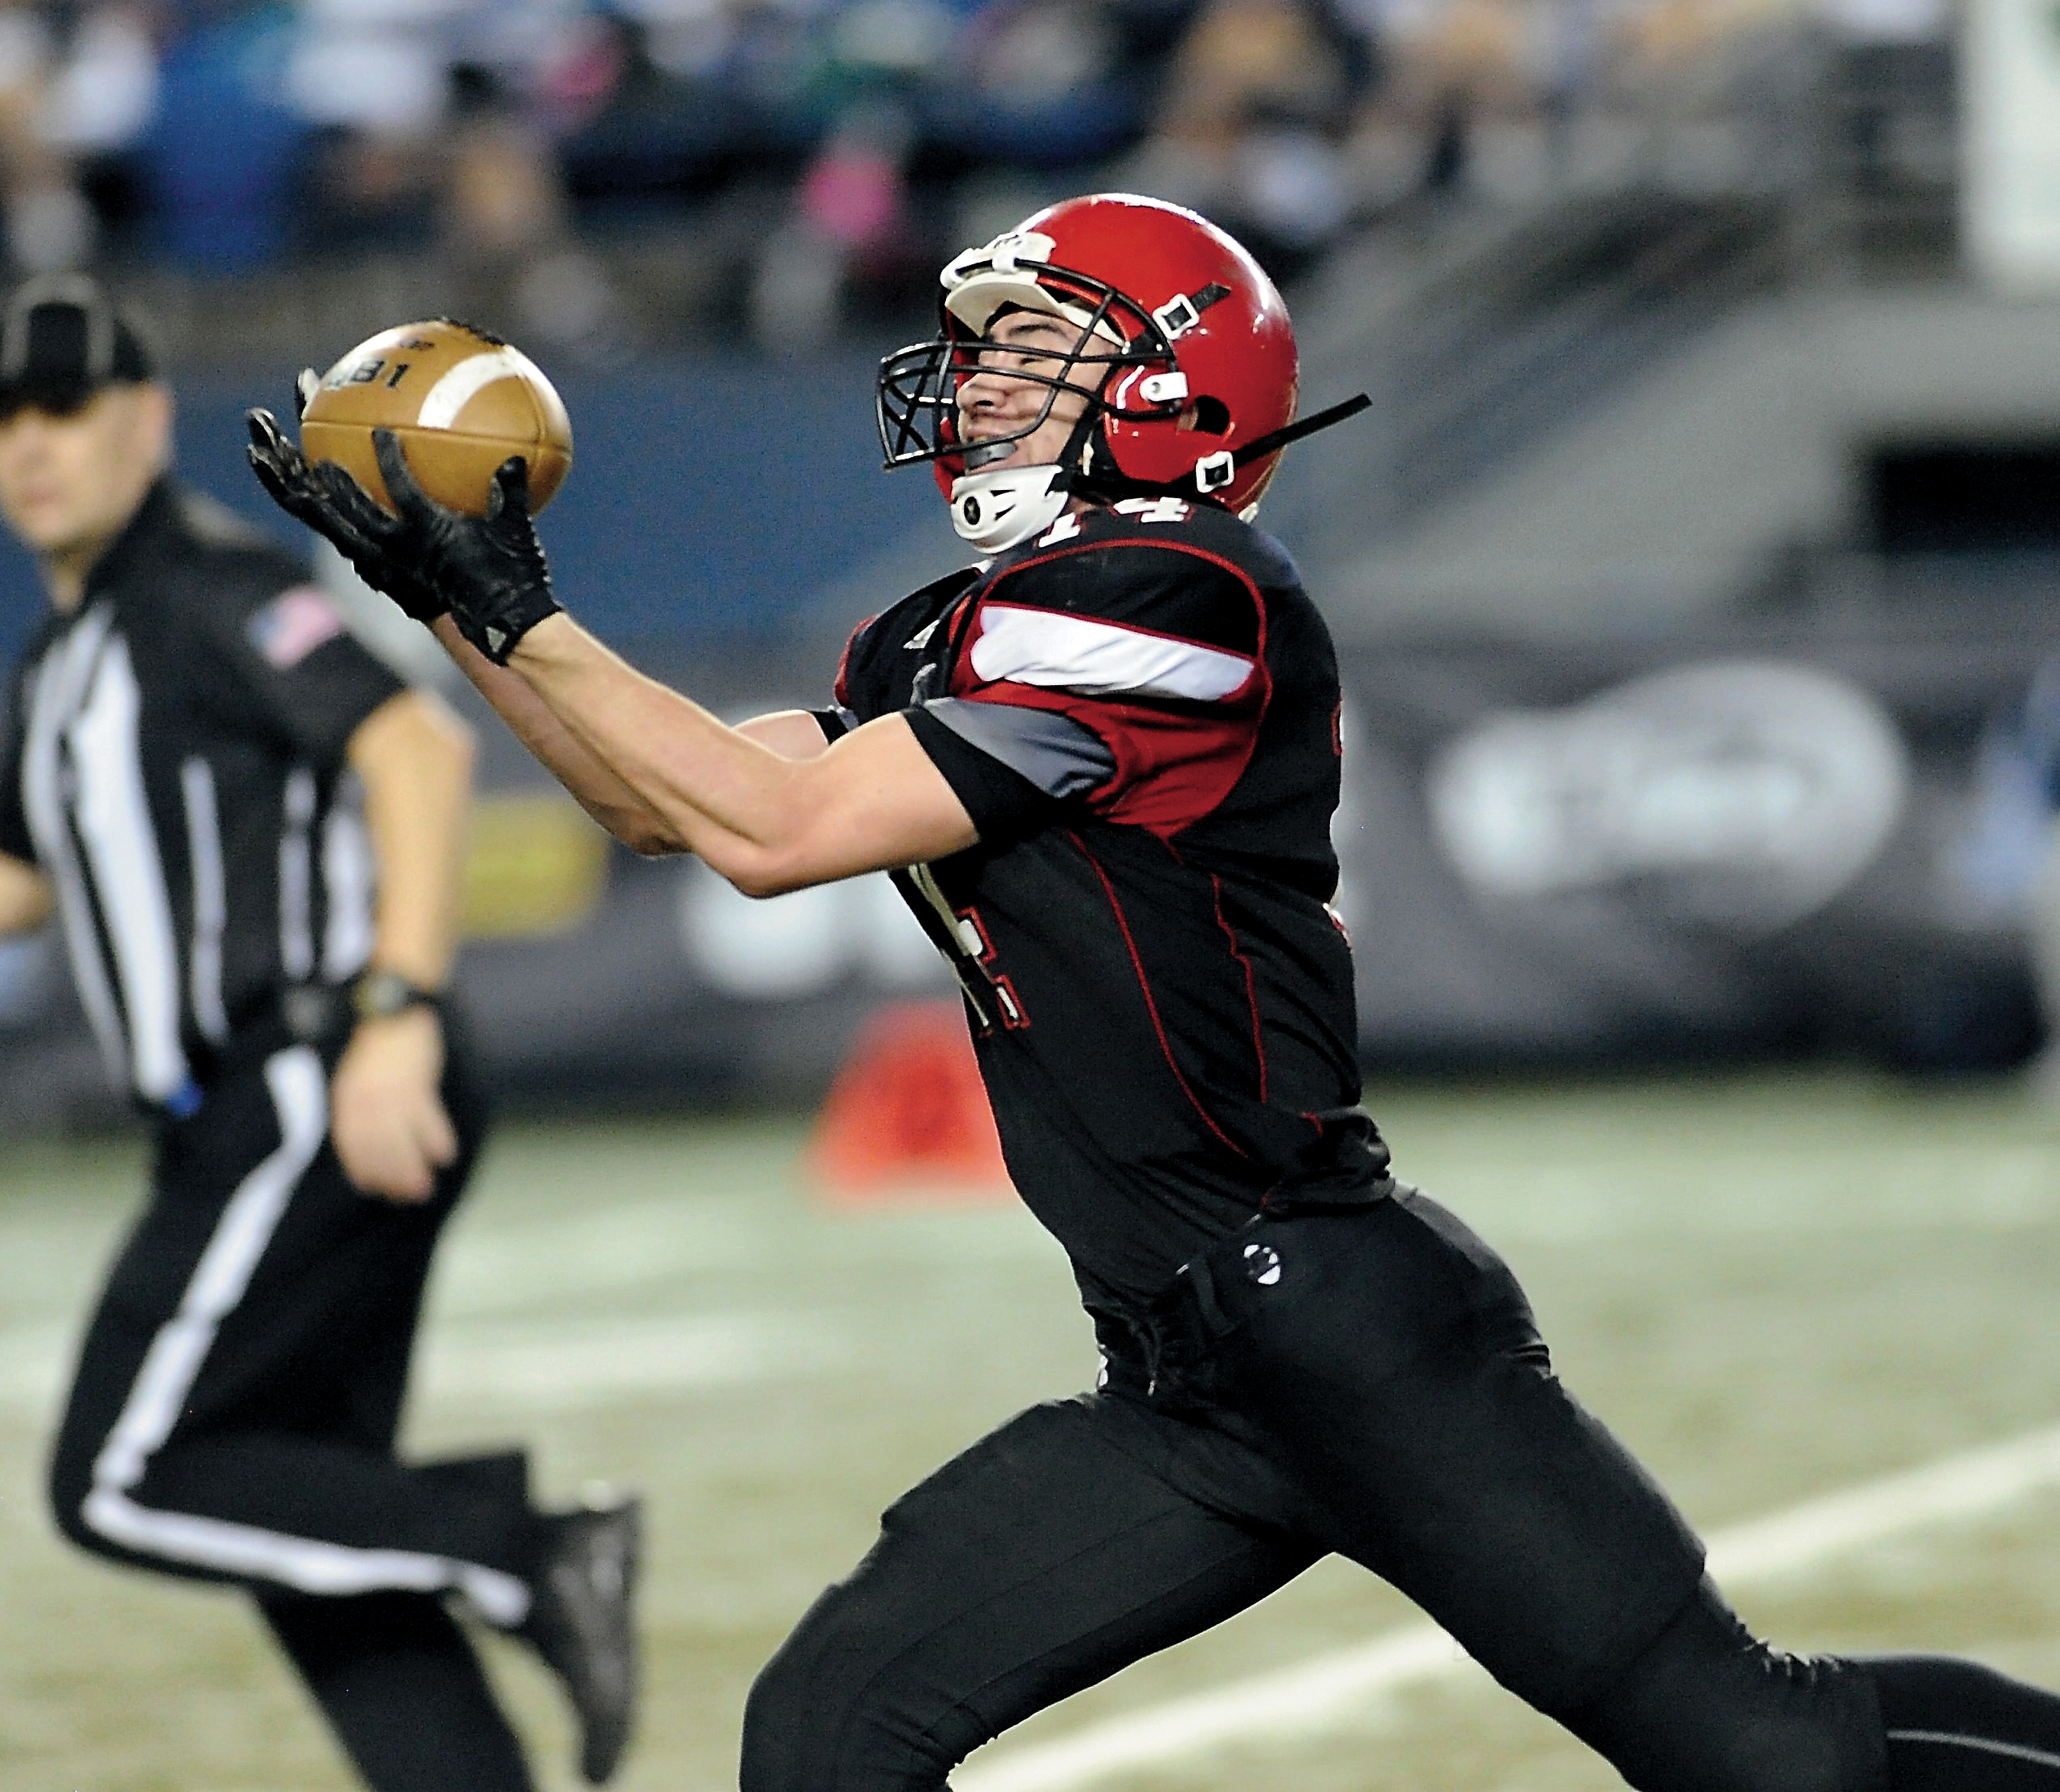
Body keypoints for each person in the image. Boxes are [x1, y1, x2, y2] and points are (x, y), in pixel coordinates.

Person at [249, 194, 2060, 1791]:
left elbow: (781, 829)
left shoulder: (1180, 586)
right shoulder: (949, 625)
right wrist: (460, 608)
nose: (976, 385)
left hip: (1346, 1325)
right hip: (1184, 1376)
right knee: (828, 1727)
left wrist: (516, 604)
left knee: (1754, 1748)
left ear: (1168, 391)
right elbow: (658, 803)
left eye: (1030, 348)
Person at [0, 273, 641, 1792]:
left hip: (311, 1075)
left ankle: (528, 1547)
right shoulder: (67, 652)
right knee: (304, 1524)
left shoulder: (208, 589)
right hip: (259, 1105)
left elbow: (415, 751)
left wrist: (395, 1016)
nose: (27, 445)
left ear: (132, 417)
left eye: (59, 408)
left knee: (125, 1474)